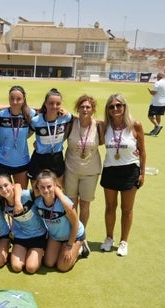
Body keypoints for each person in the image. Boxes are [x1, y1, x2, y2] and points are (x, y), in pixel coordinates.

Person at [100, 94, 146, 256]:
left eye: (118, 105)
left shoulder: (135, 125)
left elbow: (143, 151)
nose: (115, 109)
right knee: (110, 207)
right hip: (110, 170)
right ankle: (109, 238)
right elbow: (84, 119)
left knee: (127, 209)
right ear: (108, 110)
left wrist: (142, 173)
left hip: (130, 171)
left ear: (124, 107)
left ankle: (124, 242)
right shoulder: (105, 126)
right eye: (111, 106)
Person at [63, 94, 104, 257]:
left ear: (93, 110)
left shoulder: (99, 126)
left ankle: (81, 234)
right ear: (77, 108)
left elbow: (113, 136)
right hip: (71, 169)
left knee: (85, 206)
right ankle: (73, 232)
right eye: (82, 106)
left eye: (88, 107)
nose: (85, 109)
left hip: (91, 171)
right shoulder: (71, 123)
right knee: (72, 205)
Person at [34, 169, 85, 272]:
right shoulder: (38, 202)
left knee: (62, 267)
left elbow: (75, 224)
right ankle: (62, 247)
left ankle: (80, 248)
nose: (46, 190)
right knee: (48, 263)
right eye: (42, 187)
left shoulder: (65, 203)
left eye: (49, 186)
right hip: (56, 236)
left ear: (55, 186)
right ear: (37, 187)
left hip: (74, 236)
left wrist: (69, 246)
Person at [0, 174, 46, 274]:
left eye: (6, 185)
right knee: (16, 267)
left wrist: (18, 202)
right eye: (0, 187)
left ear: (12, 185)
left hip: (38, 235)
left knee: (30, 268)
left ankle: (42, 252)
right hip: (21, 236)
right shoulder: (2, 202)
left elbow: (19, 185)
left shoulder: (26, 195)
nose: (4, 189)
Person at [28, 88, 73, 187]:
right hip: (39, 159)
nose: (54, 106)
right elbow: (26, 135)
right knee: (37, 192)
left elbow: (76, 123)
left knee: (57, 191)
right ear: (45, 104)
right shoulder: (36, 121)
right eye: (51, 103)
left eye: (58, 103)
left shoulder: (66, 117)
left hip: (57, 159)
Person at [0, 86, 36, 189]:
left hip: (21, 162)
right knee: (3, 197)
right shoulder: (1, 115)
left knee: (21, 196)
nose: (15, 102)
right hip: (2, 162)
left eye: (18, 99)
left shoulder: (30, 114)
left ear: (24, 99)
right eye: (12, 98)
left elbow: (36, 127)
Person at [147, 72, 165, 136]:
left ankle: (157, 126)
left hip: (156, 102)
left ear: (159, 77)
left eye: (157, 77)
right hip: (164, 102)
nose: (157, 79)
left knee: (150, 116)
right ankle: (155, 130)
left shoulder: (158, 83)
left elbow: (154, 93)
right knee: (158, 115)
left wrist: (150, 91)